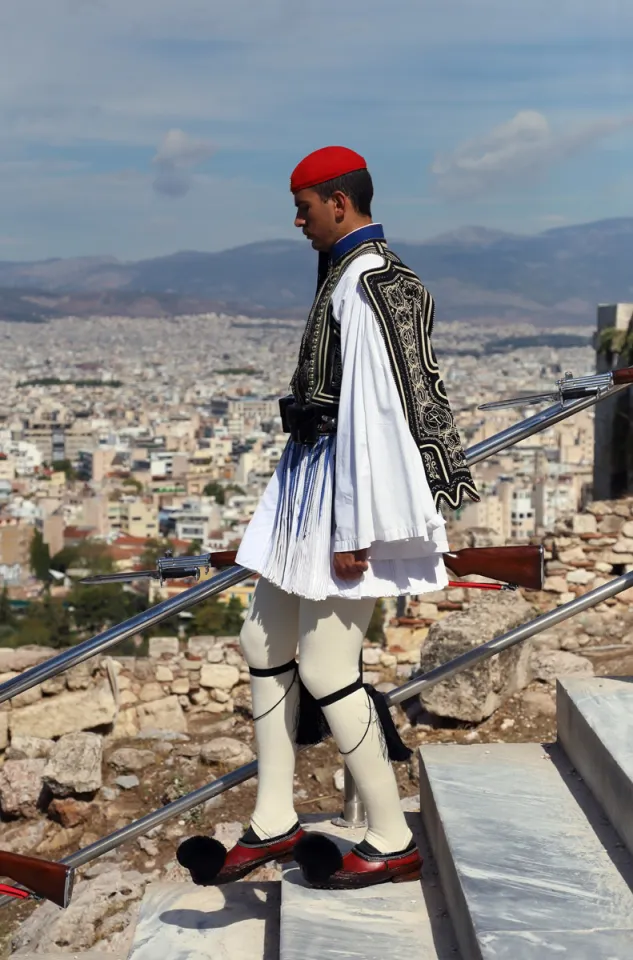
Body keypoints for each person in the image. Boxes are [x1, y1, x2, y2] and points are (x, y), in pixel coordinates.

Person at [177, 146, 478, 890]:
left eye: (305, 206)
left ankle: (389, 833)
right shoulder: (350, 275)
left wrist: (354, 533)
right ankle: (274, 816)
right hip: (311, 492)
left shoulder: (367, 283)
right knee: (261, 635)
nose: (297, 220)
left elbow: (378, 414)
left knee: (325, 666)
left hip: (349, 504)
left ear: (338, 203)